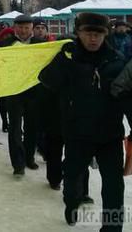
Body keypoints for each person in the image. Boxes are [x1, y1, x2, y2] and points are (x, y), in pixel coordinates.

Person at [39, 12, 126, 229]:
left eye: (99, 33)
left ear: (105, 34)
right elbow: (46, 80)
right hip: (77, 133)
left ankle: (112, 228)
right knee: (72, 177)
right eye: (88, 32)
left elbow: (129, 95)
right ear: (79, 33)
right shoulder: (68, 58)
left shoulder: (116, 61)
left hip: (110, 134)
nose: (93, 38)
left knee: (114, 186)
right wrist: (61, 60)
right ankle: (71, 204)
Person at [0, 14, 45, 178]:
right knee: (15, 127)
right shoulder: (6, 44)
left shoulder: (41, 45)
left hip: (34, 92)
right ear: (14, 28)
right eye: (20, 27)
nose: (24, 31)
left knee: (32, 126)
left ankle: (29, 157)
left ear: (31, 28)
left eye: (27, 27)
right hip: (14, 92)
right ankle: (18, 163)